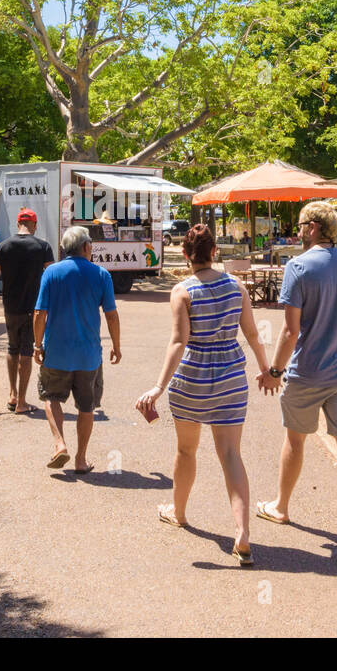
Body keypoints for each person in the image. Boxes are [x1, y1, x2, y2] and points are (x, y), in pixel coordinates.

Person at [135, 224, 273, 566]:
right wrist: (267, 369)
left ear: (184, 255)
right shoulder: (237, 287)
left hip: (191, 380)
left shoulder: (182, 291)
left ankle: (178, 512)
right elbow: (253, 333)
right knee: (230, 454)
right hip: (230, 377)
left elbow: (179, 342)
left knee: (186, 450)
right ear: (215, 252)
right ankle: (242, 532)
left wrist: (158, 386)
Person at [256, 200, 337, 558]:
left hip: (307, 372)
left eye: (300, 224)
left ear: (313, 228)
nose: (297, 229)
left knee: (295, 442)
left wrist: (274, 371)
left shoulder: (298, 267)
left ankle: (281, 506)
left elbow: (290, 331)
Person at [32, 225, 121, 473]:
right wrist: (116, 346)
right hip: (89, 356)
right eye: (91, 245)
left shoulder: (51, 273)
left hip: (56, 352)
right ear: (85, 247)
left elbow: (40, 313)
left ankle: (60, 443)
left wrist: (37, 345)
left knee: (51, 397)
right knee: (86, 406)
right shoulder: (102, 275)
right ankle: (81, 460)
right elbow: (111, 316)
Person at [0, 208, 55, 414]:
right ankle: (22, 402)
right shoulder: (43, 246)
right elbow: (52, 275)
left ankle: (13, 394)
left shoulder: (4, 246)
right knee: (26, 351)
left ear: (18, 224)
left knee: (11, 348)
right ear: (34, 225)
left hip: (10, 307)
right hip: (33, 308)